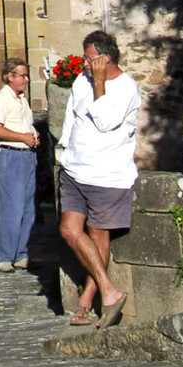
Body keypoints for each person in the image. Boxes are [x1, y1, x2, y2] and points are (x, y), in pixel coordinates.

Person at [56, 29, 140, 327]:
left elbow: (104, 122)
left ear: (105, 59)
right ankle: (108, 290)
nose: (85, 65)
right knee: (69, 230)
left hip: (107, 175)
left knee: (98, 235)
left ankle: (91, 297)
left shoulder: (127, 88)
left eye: (89, 59)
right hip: (75, 169)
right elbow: (73, 116)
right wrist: (63, 150)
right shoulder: (82, 80)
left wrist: (100, 81)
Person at [0, 60, 38, 271]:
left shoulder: (22, 100)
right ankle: (5, 255)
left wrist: (33, 136)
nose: (26, 80)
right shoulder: (2, 99)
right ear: (11, 76)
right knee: (12, 208)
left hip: (27, 155)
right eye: (23, 76)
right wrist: (22, 138)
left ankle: (20, 252)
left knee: (28, 209)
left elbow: (24, 125)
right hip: (11, 155)